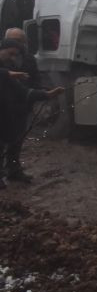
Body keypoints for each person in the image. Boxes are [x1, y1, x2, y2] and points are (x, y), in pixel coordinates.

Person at [0, 38, 63, 186]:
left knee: (15, 142)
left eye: (16, 54)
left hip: (17, 109)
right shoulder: (7, 70)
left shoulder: (26, 59)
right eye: (10, 53)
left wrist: (47, 94)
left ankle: (13, 171)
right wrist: (8, 74)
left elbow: (24, 90)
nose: (13, 58)